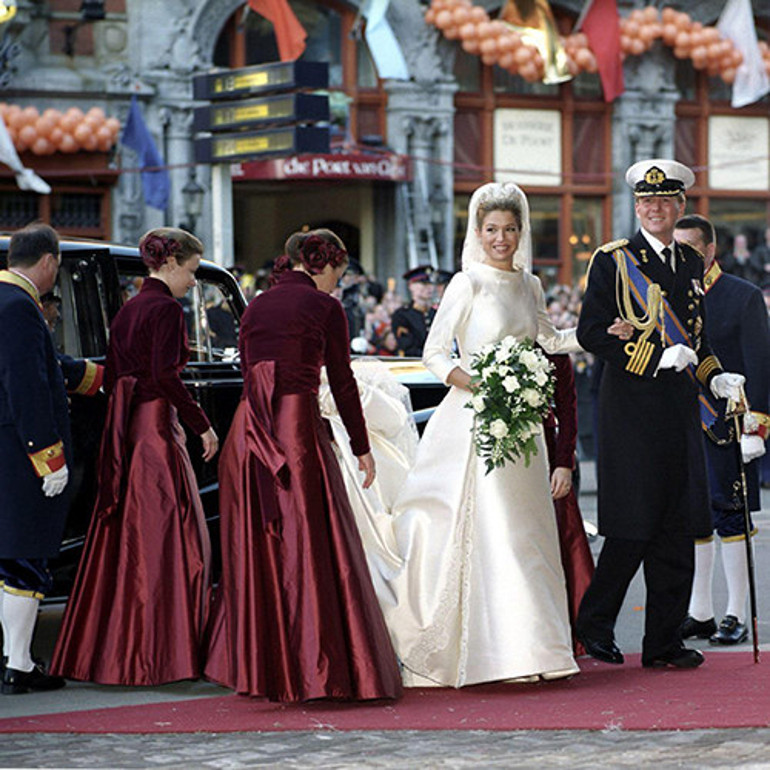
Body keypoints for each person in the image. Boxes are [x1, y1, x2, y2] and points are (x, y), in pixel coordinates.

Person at [381, 182, 583, 687]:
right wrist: (479, 384)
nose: (501, 239)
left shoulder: (530, 284)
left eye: (510, 229)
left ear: (521, 231)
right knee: (491, 531)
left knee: (527, 535)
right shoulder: (465, 283)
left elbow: (551, 339)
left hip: (523, 427)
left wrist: (601, 332)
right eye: (492, 229)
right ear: (478, 231)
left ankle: (534, 649)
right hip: (474, 422)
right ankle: (492, 653)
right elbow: (434, 354)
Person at [204, 228, 403, 703]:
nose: (338, 284)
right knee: (309, 545)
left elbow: (247, 372)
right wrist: (361, 445)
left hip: (249, 432)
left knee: (262, 546)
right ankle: (316, 667)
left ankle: (265, 667)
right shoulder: (324, 307)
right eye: (339, 273)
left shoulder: (256, 305)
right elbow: (343, 379)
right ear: (325, 264)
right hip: (293, 431)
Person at [575, 158, 746, 670]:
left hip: (679, 410)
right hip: (631, 410)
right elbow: (591, 332)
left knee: (677, 524)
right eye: (647, 201)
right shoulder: (613, 261)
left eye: (665, 201)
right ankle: (594, 625)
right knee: (633, 524)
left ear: (680, 206)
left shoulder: (690, 262)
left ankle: (663, 642)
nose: (655, 209)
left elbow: (699, 340)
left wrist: (717, 377)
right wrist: (653, 357)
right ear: (637, 207)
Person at [51, 227, 219, 686]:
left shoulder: (129, 309)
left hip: (129, 431)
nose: (193, 280)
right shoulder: (165, 309)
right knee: (170, 538)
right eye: (191, 270)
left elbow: (125, 374)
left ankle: (125, 648)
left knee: (132, 536)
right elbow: (165, 376)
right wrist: (202, 423)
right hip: (154, 431)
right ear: (171, 263)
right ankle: (161, 652)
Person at [674, 214, 770, 646]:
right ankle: (700, 612)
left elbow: (760, 366)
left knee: (730, 518)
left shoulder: (742, 295)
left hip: (728, 426)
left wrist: (757, 426)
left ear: (710, 250)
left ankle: (736, 613)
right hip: (680, 425)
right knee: (692, 519)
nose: (682, 258)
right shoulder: (667, 296)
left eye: (691, 249)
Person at [0, 224, 70, 694]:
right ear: (48, 262)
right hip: (20, 452)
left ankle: (13, 657)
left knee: (7, 558)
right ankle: (20, 664)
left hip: (5, 447)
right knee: (24, 559)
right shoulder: (20, 307)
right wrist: (48, 457)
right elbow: (27, 387)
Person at [542, 350, 594, 655]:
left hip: (546, 457)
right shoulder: (485, 343)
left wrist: (564, 463)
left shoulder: (550, 346)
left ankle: (568, 631)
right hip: (495, 463)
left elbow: (567, 405)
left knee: (561, 539)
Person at [391, 265, 436, 357]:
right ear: (411, 286)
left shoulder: (436, 313)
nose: (429, 288)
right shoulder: (402, 315)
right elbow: (407, 347)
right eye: (423, 284)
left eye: (430, 284)